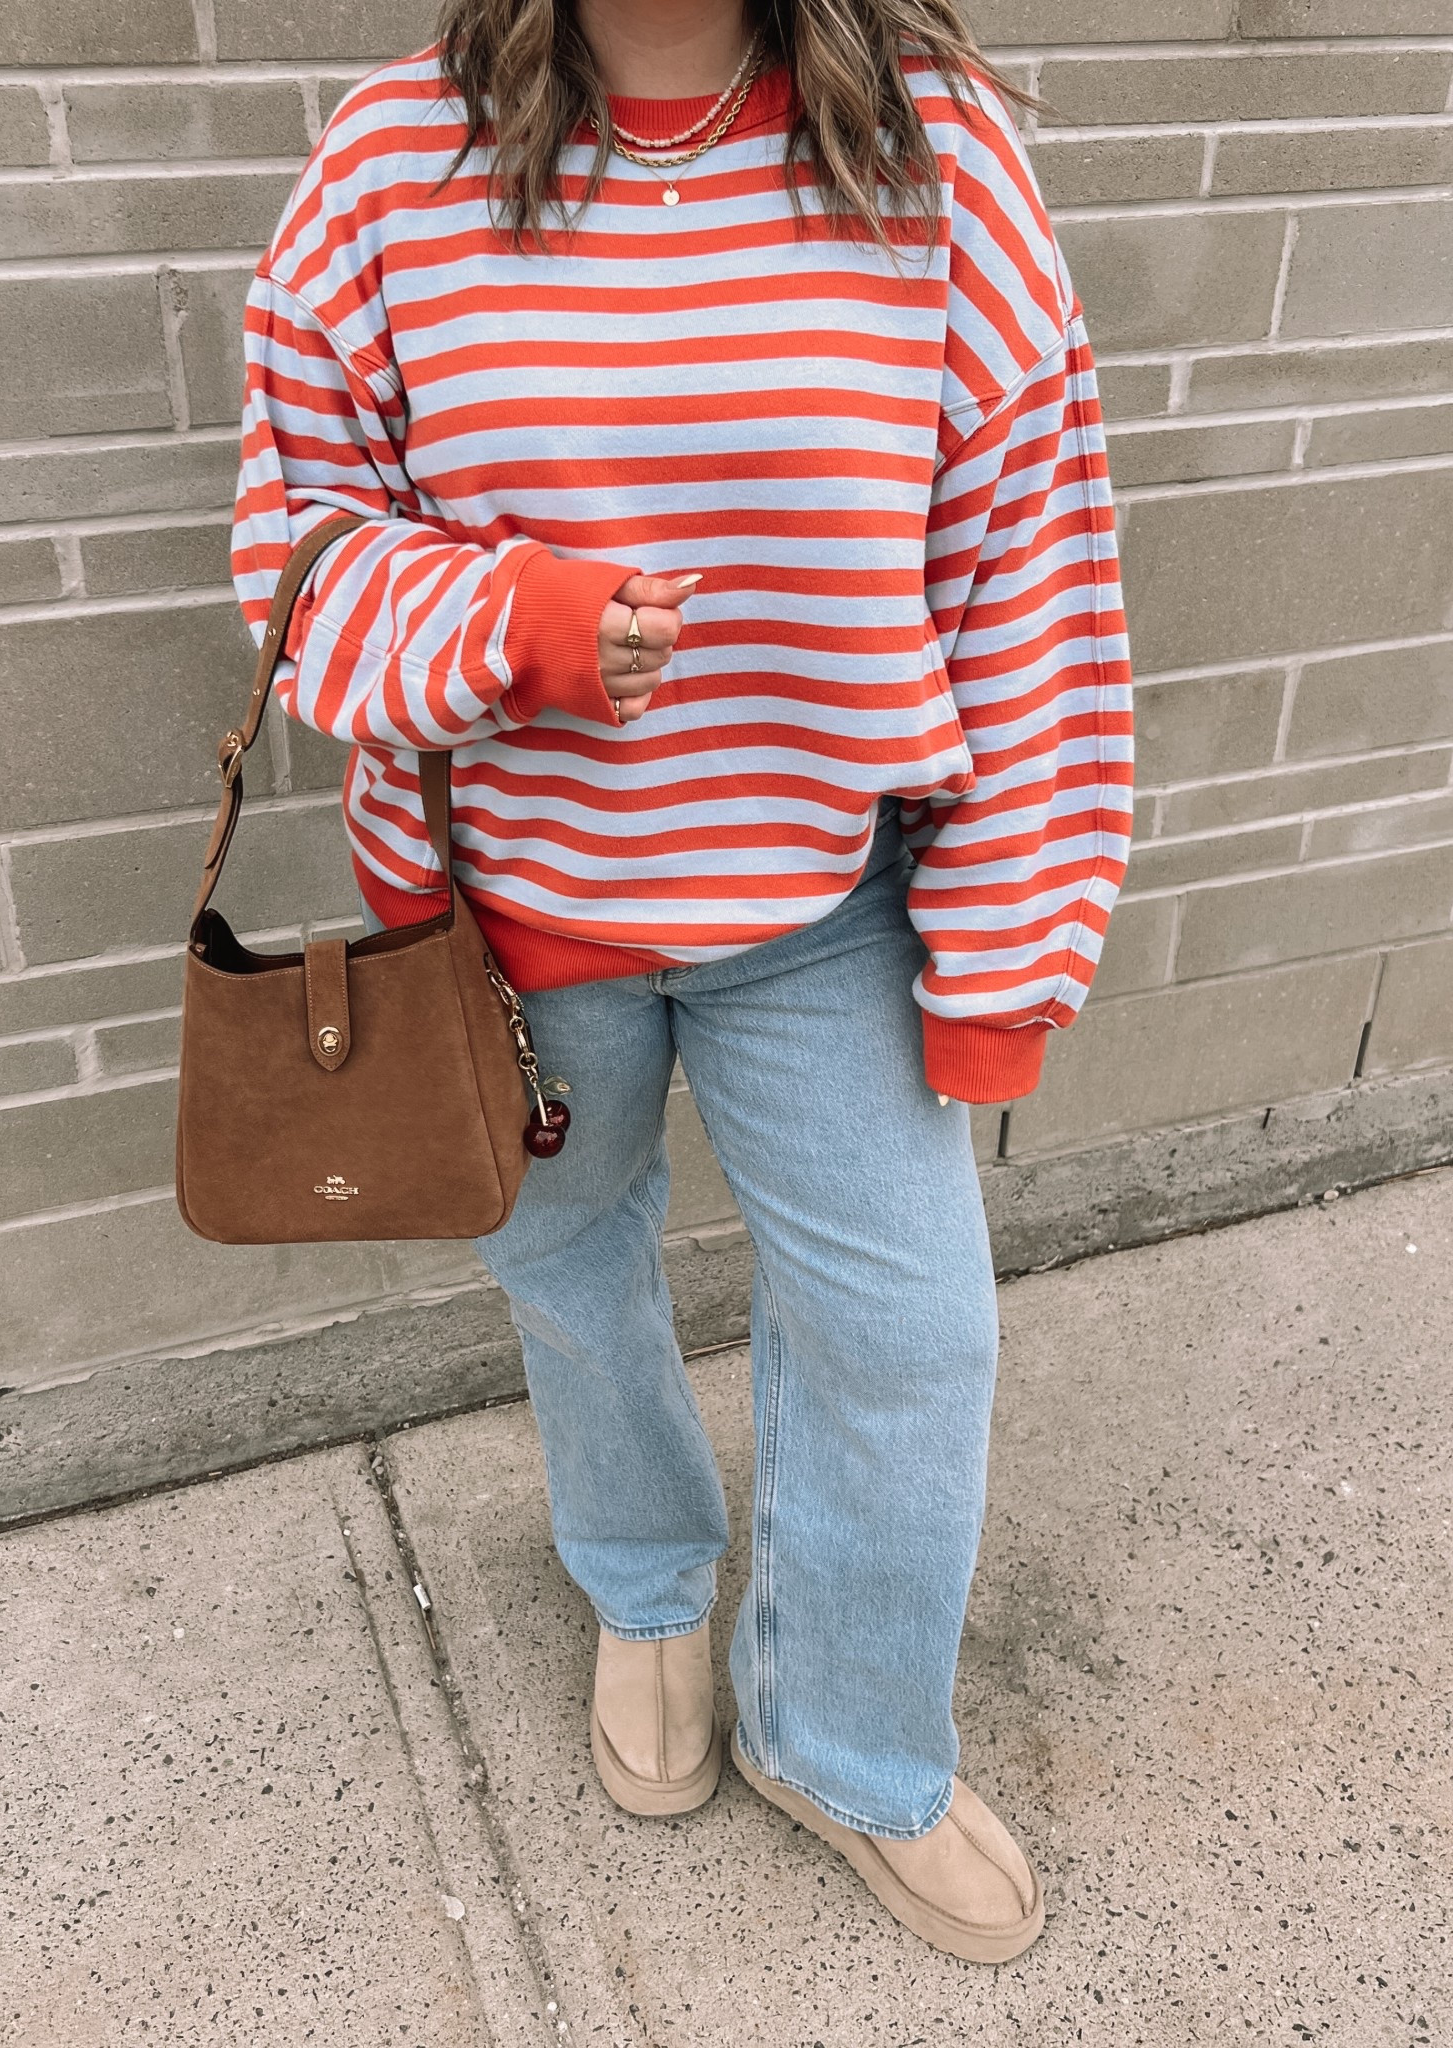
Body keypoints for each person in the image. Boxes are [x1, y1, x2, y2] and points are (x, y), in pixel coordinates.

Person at [232, 0, 1134, 1965]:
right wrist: (516, 621)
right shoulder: (393, 164)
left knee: (908, 1335)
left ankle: (844, 1734)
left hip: (824, 905)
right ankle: (649, 1583)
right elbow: (296, 558)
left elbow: (1033, 573)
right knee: (572, 1276)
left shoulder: (929, 159)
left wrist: (1003, 961)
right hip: (507, 929)